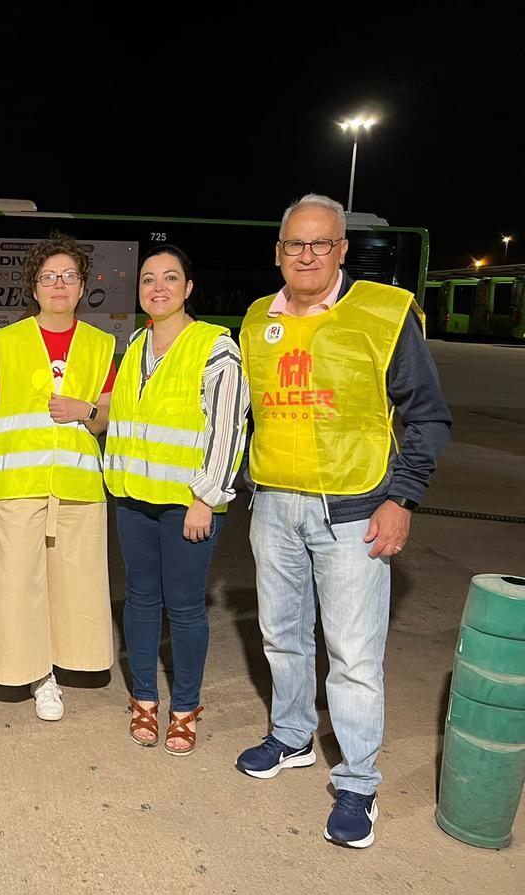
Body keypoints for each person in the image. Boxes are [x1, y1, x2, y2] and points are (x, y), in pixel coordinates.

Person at [235, 193, 450, 848]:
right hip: (273, 504)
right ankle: (293, 737)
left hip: (355, 512)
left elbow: (430, 417)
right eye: (294, 244)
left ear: (341, 250)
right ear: (278, 252)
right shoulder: (254, 318)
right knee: (281, 634)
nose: (305, 255)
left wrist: (401, 498)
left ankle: (357, 781)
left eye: (319, 243)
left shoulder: (383, 316)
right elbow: (251, 412)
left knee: (353, 655)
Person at [0, 233, 116, 735]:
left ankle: (42, 675)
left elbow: (106, 417)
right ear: (34, 286)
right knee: (11, 584)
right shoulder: (9, 341)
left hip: (76, 490)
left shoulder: (100, 344)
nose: (58, 284)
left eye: (68, 276)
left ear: (83, 286)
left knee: (65, 586)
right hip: (16, 484)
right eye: (49, 276)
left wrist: (86, 410)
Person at [103, 245, 249, 755]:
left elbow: (229, 428)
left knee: (185, 606)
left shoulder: (215, 348)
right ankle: (144, 698)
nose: (157, 287)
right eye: (147, 279)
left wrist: (206, 498)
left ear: (189, 288)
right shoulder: (136, 345)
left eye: (170, 278)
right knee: (141, 599)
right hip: (133, 498)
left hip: (188, 503)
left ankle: (185, 706)